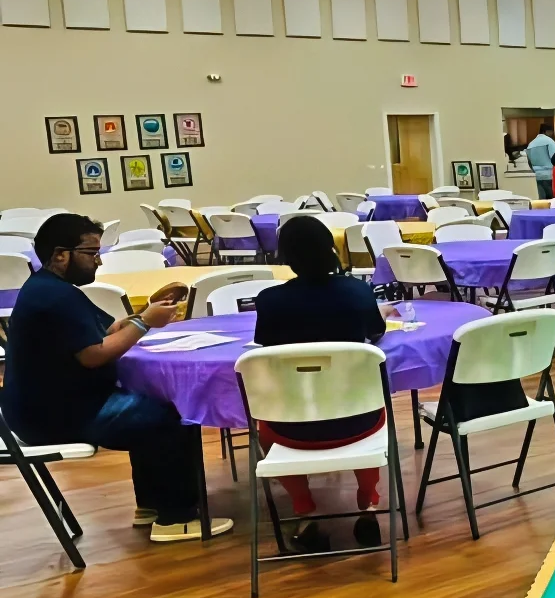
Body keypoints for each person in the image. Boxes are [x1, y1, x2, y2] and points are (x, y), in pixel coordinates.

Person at [0, 213, 233, 542]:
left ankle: (151, 505)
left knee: (150, 409)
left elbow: (108, 329)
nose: (97, 262)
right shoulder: (55, 296)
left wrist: (148, 312)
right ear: (60, 255)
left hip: (43, 409)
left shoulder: (48, 288)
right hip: (56, 417)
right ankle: (177, 518)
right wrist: (144, 323)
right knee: (172, 416)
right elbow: (94, 354)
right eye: (91, 253)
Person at [252, 216, 391, 551]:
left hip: (291, 426)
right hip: (358, 422)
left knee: (266, 425)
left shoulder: (269, 300)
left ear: (285, 255)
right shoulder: (358, 291)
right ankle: (368, 505)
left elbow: (264, 348)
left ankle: (305, 511)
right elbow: (376, 333)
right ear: (331, 248)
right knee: (372, 407)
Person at [524, 123, 555, 200]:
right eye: (551, 132)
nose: (552, 134)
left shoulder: (531, 144)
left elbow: (529, 162)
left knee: (542, 202)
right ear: (546, 131)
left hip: (536, 177)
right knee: (553, 202)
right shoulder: (550, 142)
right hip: (550, 176)